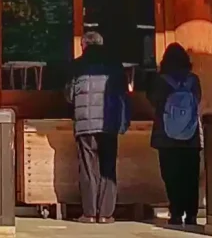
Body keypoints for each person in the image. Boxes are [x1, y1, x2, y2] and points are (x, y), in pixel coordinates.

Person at [64, 31, 131, 223]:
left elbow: (69, 96)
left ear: (84, 46)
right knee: (108, 168)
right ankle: (106, 214)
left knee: (88, 168)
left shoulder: (76, 65)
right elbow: (124, 96)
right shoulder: (114, 66)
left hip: (85, 124)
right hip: (109, 123)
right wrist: (124, 122)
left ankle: (90, 213)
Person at [139, 43, 203, 229]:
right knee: (190, 176)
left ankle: (176, 212)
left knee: (171, 175)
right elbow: (197, 100)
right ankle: (191, 214)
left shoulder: (160, 81)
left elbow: (153, 100)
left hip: (166, 136)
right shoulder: (193, 80)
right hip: (191, 136)